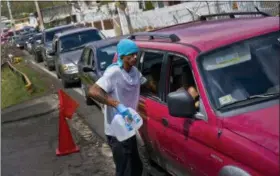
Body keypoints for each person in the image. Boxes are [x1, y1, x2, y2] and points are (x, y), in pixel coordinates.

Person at [88, 39, 146, 176]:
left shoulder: (135, 72)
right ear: (122, 56)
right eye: (131, 55)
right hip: (116, 130)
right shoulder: (114, 72)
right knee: (124, 170)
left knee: (136, 167)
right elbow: (93, 91)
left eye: (136, 54)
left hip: (129, 126)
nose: (135, 57)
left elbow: (146, 84)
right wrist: (117, 105)